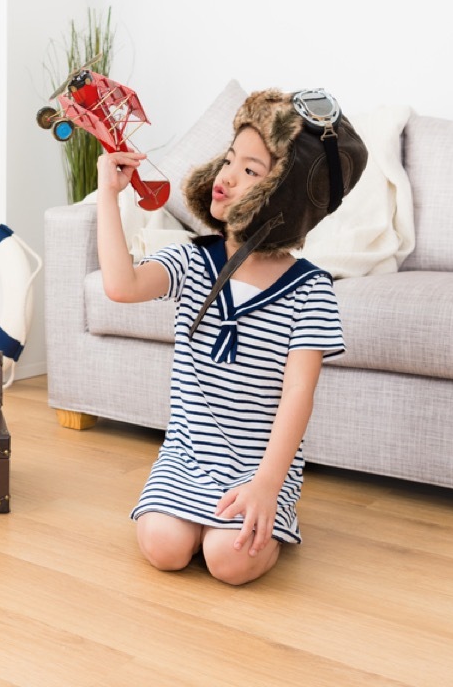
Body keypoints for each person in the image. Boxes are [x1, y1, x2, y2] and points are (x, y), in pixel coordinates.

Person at [96, 88, 368, 585]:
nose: (226, 176)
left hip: (257, 468)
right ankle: (197, 518)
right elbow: (122, 284)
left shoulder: (310, 290)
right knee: (164, 547)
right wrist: (108, 196)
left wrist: (267, 485)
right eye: (228, 160)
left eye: (250, 170)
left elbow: (298, 395)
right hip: (188, 456)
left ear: (283, 194)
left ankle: (263, 518)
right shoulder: (192, 260)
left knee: (229, 560)